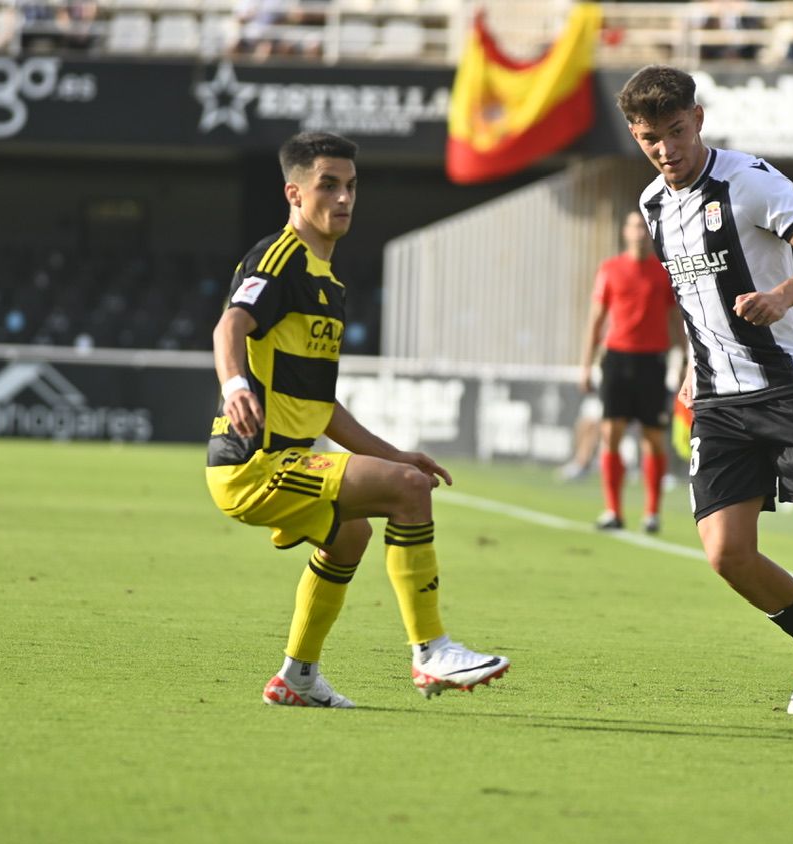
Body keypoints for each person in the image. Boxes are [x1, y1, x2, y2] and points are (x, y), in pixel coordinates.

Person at [616, 65, 793, 716]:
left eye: (677, 132)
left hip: (789, 388)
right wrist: (692, 360)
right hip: (716, 398)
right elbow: (692, 296)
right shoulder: (651, 206)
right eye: (649, 139)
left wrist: (783, 294)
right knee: (727, 555)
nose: (666, 150)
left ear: (699, 120)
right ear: (635, 136)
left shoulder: (750, 181)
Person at [205, 132, 508, 709]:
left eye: (350, 186)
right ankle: (432, 652)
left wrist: (396, 455)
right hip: (253, 464)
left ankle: (296, 677)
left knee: (351, 535)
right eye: (328, 185)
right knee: (409, 493)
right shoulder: (279, 259)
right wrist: (235, 383)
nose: (343, 198)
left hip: (289, 458)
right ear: (294, 192)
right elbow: (229, 326)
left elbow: (324, 408)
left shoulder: (330, 283)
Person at [578, 210, 685, 534]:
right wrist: (585, 365)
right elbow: (596, 320)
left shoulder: (663, 273)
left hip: (653, 361)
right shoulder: (609, 269)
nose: (639, 232)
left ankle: (652, 513)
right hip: (616, 359)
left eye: (644, 227)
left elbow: (676, 321)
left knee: (653, 438)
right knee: (611, 433)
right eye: (634, 226)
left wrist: (685, 362)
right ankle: (613, 510)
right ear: (625, 232)